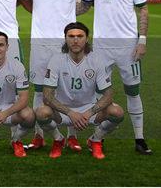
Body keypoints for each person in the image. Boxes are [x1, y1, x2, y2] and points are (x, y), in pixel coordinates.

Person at [78, 0, 151, 155]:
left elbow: (144, 10)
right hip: (101, 46)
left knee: (133, 91)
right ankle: (97, 136)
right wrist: (60, 8)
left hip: (128, 46)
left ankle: (139, 138)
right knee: (98, 94)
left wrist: (142, 40)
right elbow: (84, 6)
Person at [24, 0, 85, 151]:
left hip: (66, 42)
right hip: (40, 41)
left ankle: (72, 136)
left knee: (68, 90)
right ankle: (40, 135)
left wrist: (74, 17)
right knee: (40, 90)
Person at [36, 22, 124, 159]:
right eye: (71, 36)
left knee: (117, 112)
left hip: (88, 110)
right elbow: (47, 96)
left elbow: (108, 95)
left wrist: (89, 112)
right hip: (63, 111)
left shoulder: (97, 60)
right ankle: (58, 139)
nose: (75, 40)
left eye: (79, 36)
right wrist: (70, 113)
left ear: (86, 38)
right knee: (41, 112)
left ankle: (96, 139)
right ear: (65, 38)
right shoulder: (56, 60)